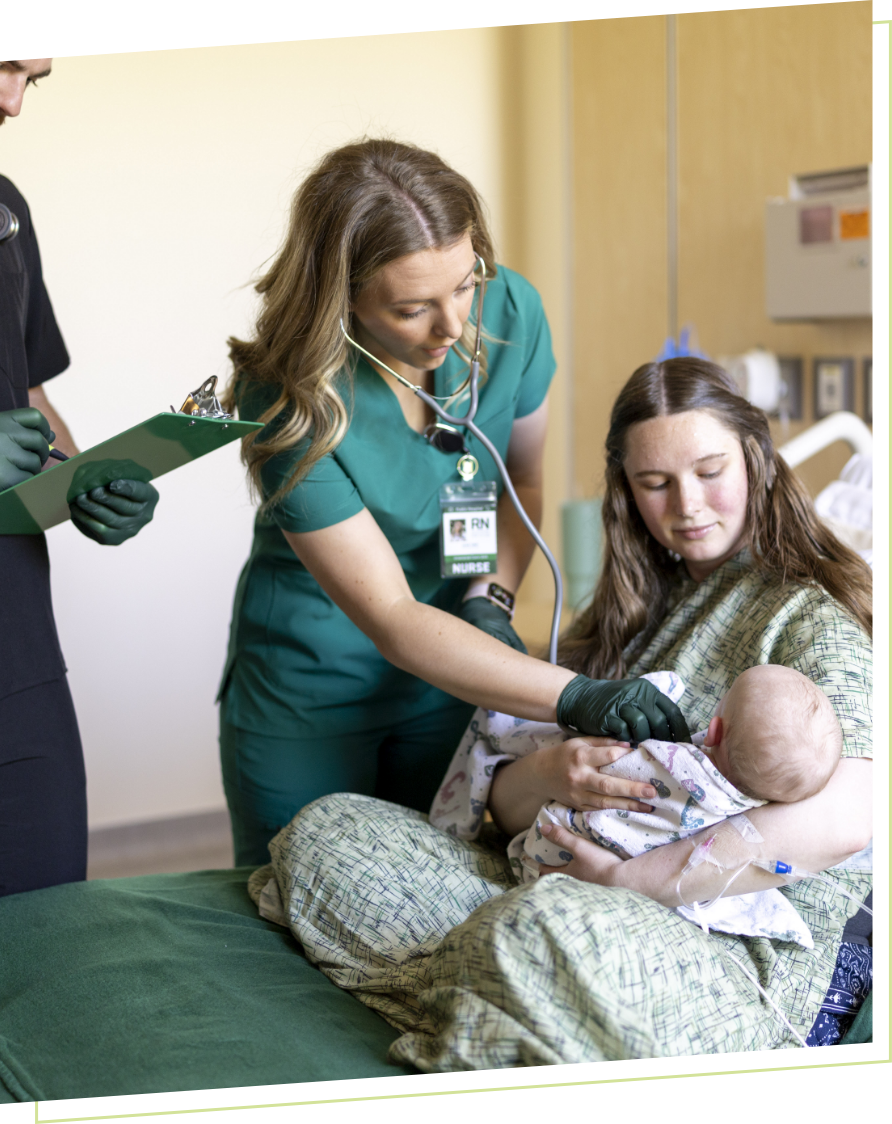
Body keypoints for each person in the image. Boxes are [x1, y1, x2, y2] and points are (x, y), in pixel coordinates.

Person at [250, 357, 872, 1067]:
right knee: (330, 834)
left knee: (544, 930)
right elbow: (504, 811)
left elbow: (847, 819)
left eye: (710, 471)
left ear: (755, 459)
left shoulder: (809, 619)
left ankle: (509, 983)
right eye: (655, 483)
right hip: (550, 889)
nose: (688, 505)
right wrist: (553, 772)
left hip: (714, 948)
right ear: (626, 492)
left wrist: (624, 885)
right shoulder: (628, 618)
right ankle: (513, 995)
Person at [219, 139, 689, 866]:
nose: (453, 326)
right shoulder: (287, 395)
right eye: (412, 309)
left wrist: (489, 599)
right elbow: (392, 616)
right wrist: (576, 696)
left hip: (458, 666)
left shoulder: (512, 311)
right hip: (312, 682)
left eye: (465, 286)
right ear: (339, 298)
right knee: (292, 888)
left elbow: (520, 483)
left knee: (439, 878)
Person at [1, 59, 159, 897]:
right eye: (1, 66)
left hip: (18, 658)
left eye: (33, 78)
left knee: (49, 932)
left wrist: (84, 479)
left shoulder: (5, 212)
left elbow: (25, 396)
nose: (12, 104)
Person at [430, 665, 842, 930]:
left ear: (714, 730)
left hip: (551, 857)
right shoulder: (750, 810)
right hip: (589, 894)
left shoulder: (662, 760)